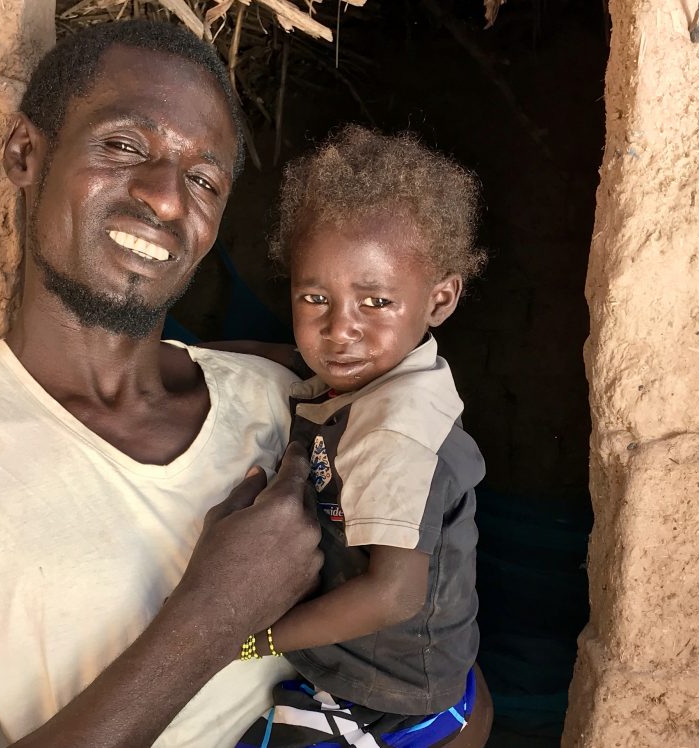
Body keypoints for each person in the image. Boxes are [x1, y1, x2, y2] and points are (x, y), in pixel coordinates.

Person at [0, 20, 323, 748]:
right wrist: (213, 617)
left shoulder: (281, 405)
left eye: (203, 178)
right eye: (124, 145)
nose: (166, 199)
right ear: (24, 154)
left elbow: (450, 698)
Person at [226, 126, 494, 747]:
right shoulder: (375, 373)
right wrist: (185, 354)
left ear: (441, 298)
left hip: (388, 690)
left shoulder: (395, 434)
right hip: (387, 657)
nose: (339, 330)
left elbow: (394, 595)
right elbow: (285, 355)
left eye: (375, 302)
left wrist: (250, 638)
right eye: (315, 298)